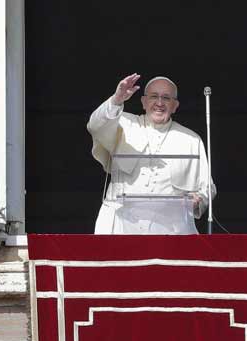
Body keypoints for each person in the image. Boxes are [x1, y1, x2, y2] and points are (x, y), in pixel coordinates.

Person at [87, 73, 216, 234]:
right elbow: (95, 126)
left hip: (170, 230)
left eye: (166, 98)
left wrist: (198, 200)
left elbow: (206, 187)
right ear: (144, 101)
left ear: (175, 105)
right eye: (154, 96)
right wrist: (116, 99)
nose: (159, 103)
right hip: (120, 226)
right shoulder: (123, 124)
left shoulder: (191, 139)